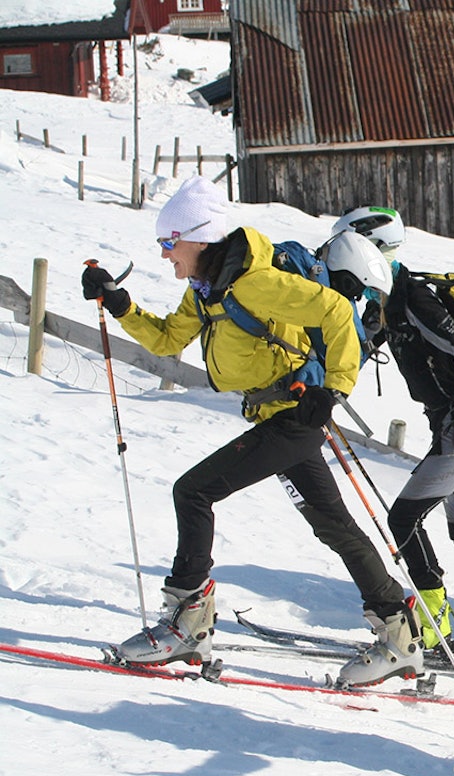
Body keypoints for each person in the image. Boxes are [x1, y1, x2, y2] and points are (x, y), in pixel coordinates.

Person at [80, 175, 419, 688]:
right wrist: (120, 304)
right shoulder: (207, 289)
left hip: (295, 416)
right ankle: (399, 633)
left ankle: (187, 623)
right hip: (276, 417)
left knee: (193, 492)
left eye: (169, 242)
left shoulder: (254, 282)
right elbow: (169, 340)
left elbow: (333, 312)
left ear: (198, 238)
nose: (164, 253)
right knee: (333, 526)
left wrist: (334, 389)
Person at [333, 207, 454, 658]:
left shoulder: (415, 300)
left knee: (403, 519)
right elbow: (356, 351)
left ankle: (432, 620)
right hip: (450, 425)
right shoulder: (384, 303)